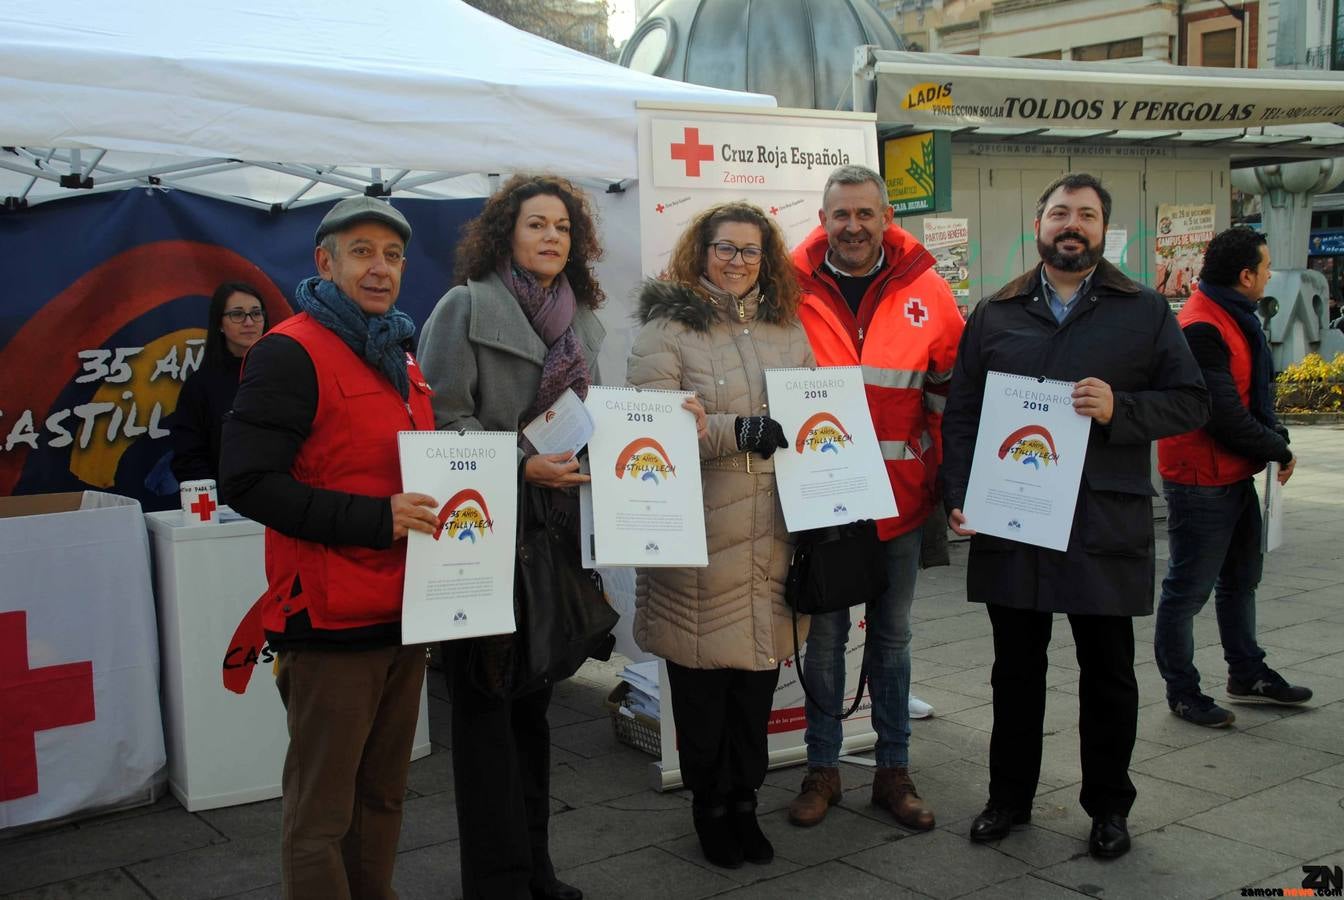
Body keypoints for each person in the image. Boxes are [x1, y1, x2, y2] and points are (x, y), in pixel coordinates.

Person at [940, 173, 1208, 859]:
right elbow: (964, 412)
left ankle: (1109, 809)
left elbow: (1191, 403)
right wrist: (959, 493)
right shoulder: (995, 313)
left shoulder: (1144, 310)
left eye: (1086, 215)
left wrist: (1123, 410)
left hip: (1101, 522)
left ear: (1102, 230)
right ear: (1039, 225)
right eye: (1061, 212)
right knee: (1015, 670)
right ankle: (1009, 799)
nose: (1072, 225)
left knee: (1109, 672)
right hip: (1016, 518)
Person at [220, 196, 439, 899]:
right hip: (329, 620)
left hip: (405, 612)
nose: (381, 268)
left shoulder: (399, 353)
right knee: (321, 815)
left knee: (384, 798)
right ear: (326, 262)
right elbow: (248, 482)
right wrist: (376, 520)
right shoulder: (289, 351)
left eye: (393, 254)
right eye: (363, 251)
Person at [417, 175, 605, 900]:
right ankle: (494, 882)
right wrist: (524, 465)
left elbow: (595, 423)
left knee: (532, 709)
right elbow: (439, 422)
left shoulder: (582, 321)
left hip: (552, 540)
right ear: (506, 234)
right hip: (483, 534)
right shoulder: (464, 307)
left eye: (562, 226)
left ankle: (536, 868)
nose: (551, 236)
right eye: (536, 224)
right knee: (486, 713)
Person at [626, 201, 813, 869]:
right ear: (700, 253)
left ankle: (744, 801)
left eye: (750, 251)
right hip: (697, 534)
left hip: (772, 538)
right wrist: (738, 432)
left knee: (755, 687)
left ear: (768, 260)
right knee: (703, 693)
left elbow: (815, 414)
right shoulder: (667, 330)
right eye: (725, 249)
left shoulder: (788, 330)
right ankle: (710, 805)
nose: (737, 261)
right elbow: (646, 425)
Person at [787, 164, 963, 831]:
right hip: (824, 503)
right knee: (826, 640)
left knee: (891, 640)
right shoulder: (788, 288)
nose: (854, 226)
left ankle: (893, 771)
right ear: (824, 218)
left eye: (866, 214)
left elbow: (949, 399)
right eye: (841, 215)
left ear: (886, 217)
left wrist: (949, 483)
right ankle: (822, 770)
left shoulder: (929, 291)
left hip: (902, 502)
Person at [1155, 228, 1312, 727]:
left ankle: (1247, 675)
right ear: (1246, 276)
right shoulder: (1203, 325)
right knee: (1187, 591)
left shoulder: (1235, 316)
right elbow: (1221, 413)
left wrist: (1273, 438)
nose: (1268, 275)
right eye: (1265, 268)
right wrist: (1278, 447)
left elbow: (1248, 395)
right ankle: (1182, 692)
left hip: (1234, 473)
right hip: (1200, 479)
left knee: (1241, 581)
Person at [170, 281, 269, 483]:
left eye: (256, 313)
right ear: (219, 324)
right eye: (237, 314)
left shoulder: (285, 373)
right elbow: (188, 458)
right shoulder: (200, 386)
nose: (249, 322)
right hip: (226, 504)